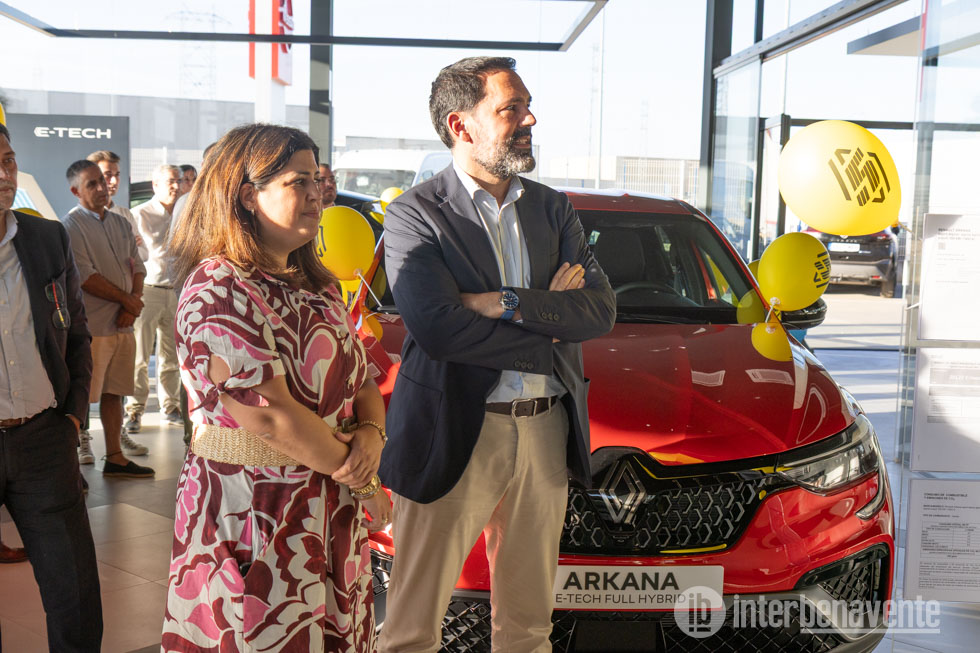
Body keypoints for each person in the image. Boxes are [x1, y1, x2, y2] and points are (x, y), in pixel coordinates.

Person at [377, 56, 615, 652]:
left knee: (529, 627)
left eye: (527, 106)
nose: (530, 119)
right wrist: (548, 323)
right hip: (455, 428)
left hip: (545, 431)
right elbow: (437, 329)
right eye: (511, 109)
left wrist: (503, 302)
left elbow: (598, 311)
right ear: (461, 125)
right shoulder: (415, 213)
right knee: (411, 630)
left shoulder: (552, 208)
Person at [163, 123, 391, 651]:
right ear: (248, 196)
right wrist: (362, 480)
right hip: (254, 508)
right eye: (298, 181)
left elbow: (363, 382)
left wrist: (372, 434)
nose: (318, 193)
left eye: (317, 179)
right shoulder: (218, 286)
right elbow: (268, 416)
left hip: (328, 501)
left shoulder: (320, 286)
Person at [0, 123, 103, 650]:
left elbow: (76, 332)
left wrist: (72, 415)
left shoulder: (46, 238)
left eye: (8, 160)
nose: (4, 174)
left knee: (74, 594)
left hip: (43, 436)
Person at [61, 159, 154, 477]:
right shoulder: (70, 226)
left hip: (124, 324)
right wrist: (129, 301)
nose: (103, 188)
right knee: (81, 398)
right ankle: (68, 468)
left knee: (115, 392)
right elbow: (85, 276)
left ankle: (115, 457)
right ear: (76, 191)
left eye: (103, 181)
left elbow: (138, 266)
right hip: (94, 326)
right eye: (92, 184)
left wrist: (133, 304)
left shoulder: (120, 222)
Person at [125, 165, 183, 434]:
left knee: (171, 356)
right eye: (170, 181)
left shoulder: (183, 213)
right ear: (155, 184)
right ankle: (134, 410)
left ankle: (170, 408)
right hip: (148, 289)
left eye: (178, 181)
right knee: (139, 355)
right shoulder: (139, 214)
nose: (176, 186)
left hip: (176, 290)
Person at [87, 150, 148, 261]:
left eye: (117, 175)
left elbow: (144, 254)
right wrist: (128, 245)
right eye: (108, 175)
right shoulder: (80, 217)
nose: (114, 181)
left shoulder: (125, 213)